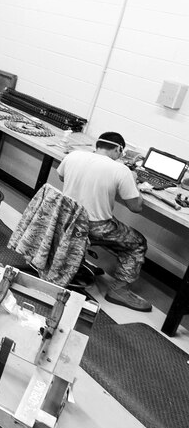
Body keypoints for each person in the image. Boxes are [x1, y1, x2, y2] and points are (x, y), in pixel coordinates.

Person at [57, 132, 152, 311]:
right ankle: (119, 290)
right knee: (137, 243)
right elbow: (136, 207)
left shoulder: (74, 155)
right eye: (121, 153)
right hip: (93, 226)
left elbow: (62, 177)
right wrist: (132, 180)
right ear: (118, 149)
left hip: (65, 217)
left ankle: (74, 259)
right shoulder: (121, 170)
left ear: (98, 145)